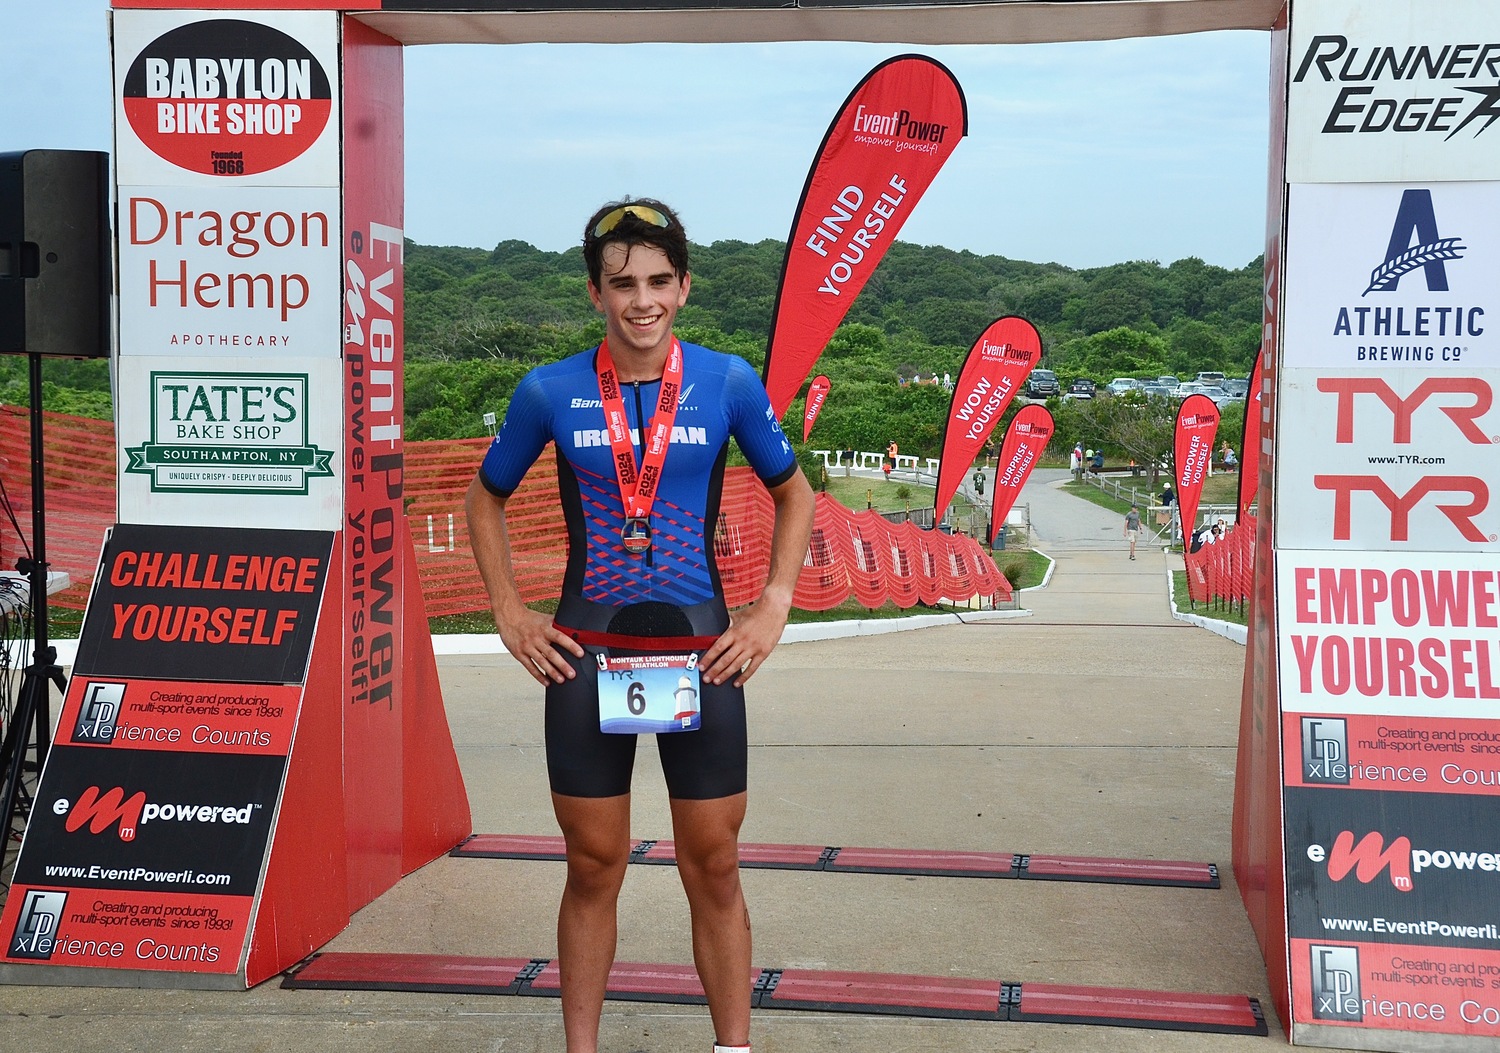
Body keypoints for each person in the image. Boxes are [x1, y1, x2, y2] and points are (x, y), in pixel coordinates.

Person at [465, 198, 816, 1053]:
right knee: (593, 865)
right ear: (595, 293)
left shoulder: (728, 381)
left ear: (686, 287)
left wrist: (774, 604)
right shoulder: (549, 389)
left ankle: (732, 1047)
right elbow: (485, 496)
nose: (642, 300)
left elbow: (793, 493)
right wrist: (510, 612)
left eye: (659, 280)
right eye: (622, 283)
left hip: (704, 654)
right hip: (589, 655)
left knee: (715, 865)